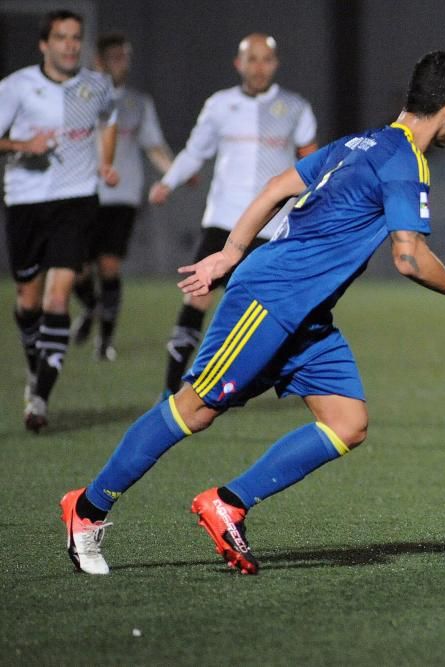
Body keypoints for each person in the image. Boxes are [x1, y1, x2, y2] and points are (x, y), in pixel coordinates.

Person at [59, 50, 445, 576]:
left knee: (347, 422)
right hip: (269, 298)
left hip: (307, 315)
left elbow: (277, 187)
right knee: (193, 410)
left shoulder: (357, 143)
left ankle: (228, 504)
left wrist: (231, 250)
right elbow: (408, 257)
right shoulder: (405, 161)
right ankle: (86, 510)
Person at [148, 33, 317, 399]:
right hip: (223, 220)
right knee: (197, 297)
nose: (259, 67)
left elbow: (310, 161)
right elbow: (195, 152)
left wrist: (318, 200)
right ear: (238, 64)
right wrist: (169, 181)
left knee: (269, 309)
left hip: (273, 226)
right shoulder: (219, 105)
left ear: (276, 64)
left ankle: (279, 383)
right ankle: (169, 389)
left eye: (266, 60)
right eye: (251, 59)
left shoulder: (295, 107)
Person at [0, 9, 118, 432]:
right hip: (26, 202)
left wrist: (105, 163)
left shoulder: (97, 86)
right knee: (28, 301)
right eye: (61, 37)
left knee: (57, 298)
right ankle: (36, 367)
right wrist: (22, 144)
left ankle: (40, 398)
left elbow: (109, 122)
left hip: (76, 199)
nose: (70, 45)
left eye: (75, 37)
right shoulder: (16, 87)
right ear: (44, 44)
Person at [70, 33, 174, 360]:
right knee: (75, 269)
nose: (122, 63)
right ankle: (91, 307)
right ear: (98, 61)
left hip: (122, 196)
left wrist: (175, 173)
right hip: (82, 193)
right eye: (115, 57)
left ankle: (105, 343)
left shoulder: (137, 103)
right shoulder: (78, 99)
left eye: (124, 56)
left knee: (110, 266)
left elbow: (153, 145)